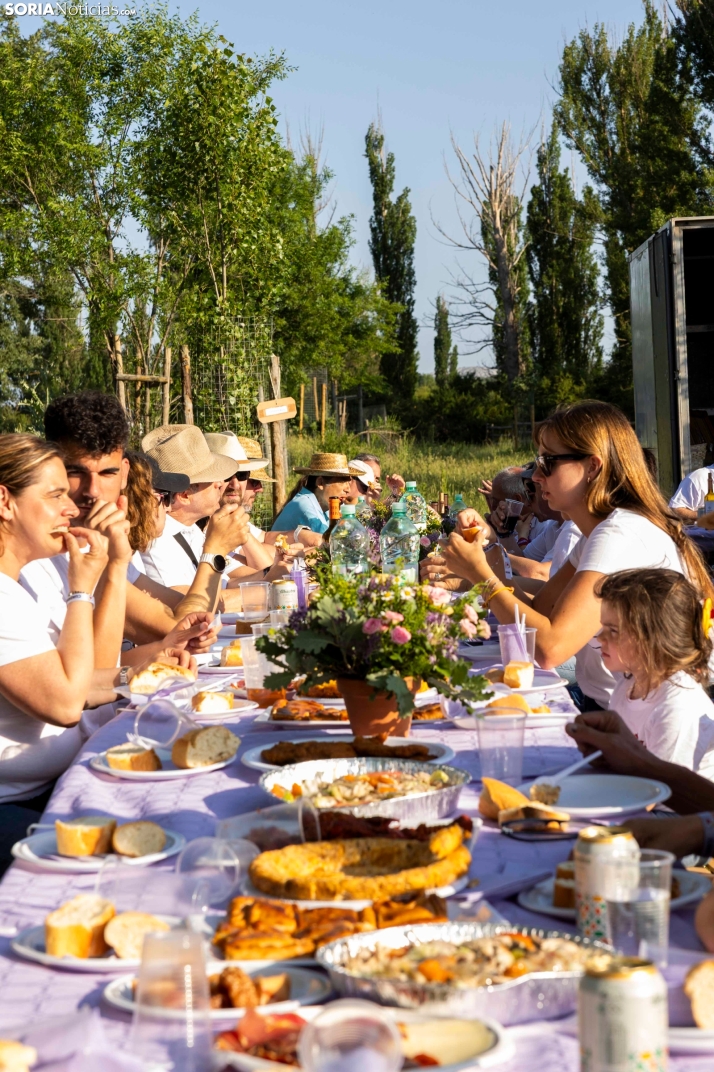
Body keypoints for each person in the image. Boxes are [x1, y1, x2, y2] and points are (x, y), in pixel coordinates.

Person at [435, 400, 713, 710]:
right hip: (620, 713)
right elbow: (540, 609)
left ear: (592, 466)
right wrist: (474, 569)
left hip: (643, 725)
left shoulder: (619, 534)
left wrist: (481, 576)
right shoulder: (602, 531)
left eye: (548, 462)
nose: (537, 477)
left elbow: (549, 648)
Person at [0, 435, 194, 867]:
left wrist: (149, 669)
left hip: (57, 784)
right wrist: (80, 590)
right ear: (5, 501)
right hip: (16, 806)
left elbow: (81, 678)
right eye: (55, 495)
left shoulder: (12, 586)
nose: (71, 507)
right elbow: (67, 704)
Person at [33, 393, 248, 642]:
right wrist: (215, 551)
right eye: (76, 472)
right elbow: (177, 629)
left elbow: (183, 623)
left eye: (107, 473)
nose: (93, 490)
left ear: (123, 473)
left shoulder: (105, 545)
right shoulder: (40, 554)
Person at [595, 568, 714, 775]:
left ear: (653, 640)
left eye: (612, 630)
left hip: (672, 806)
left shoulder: (676, 708)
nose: (599, 637)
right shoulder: (629, 683)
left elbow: (663, 790)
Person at [140, 424, 252, 591]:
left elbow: (225, 585)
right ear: (185, 495)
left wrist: (277, 576)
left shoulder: (190, 529)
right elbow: (189, 607)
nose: (221, 483)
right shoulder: (156, 540)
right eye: (212, 478)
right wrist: (216, 549)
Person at [271, 453, 357, 536]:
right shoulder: (306, 506)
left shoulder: (323, 507)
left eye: (348, 483)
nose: (348, 490)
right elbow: (330, 542)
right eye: (342, 481)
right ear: (320, 483)